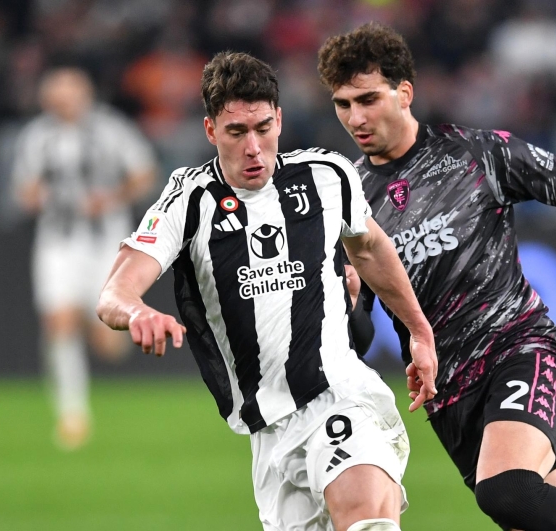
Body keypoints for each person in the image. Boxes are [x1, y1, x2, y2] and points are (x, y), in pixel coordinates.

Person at [97, 51, 437, 531]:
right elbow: (114, 293)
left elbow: (370, 248)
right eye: (237, 133)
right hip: (268, 431)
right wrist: (135, 314)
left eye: (263, 127)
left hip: (338, 395)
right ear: (212, 131)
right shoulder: (188, 202)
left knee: (367, 518)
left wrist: (419, 332)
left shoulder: (327, 176)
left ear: (279, 119)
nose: (253, 147)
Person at [318, 23, 556, 531]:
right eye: (343, 104)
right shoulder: (348, 202)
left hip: (516, 347)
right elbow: (361, 337)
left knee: (504, 489)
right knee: (530, 509)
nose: (355, 117)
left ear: (404, 93)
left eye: (368, 99)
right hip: (445, 393)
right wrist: (350, 300)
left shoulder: (476, 153)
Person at [12, 67, 157, 450]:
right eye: (56, 97)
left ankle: (89, 324)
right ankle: (72, 415)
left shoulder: (112, 130)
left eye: (69, 95)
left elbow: (144, 173)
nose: (63, 104)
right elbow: (24, 189)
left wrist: (108, 200)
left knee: (108, 342)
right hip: (57, 242)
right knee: (57, 323)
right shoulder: (37, 136)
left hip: (106, 244)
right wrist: (49, 199)